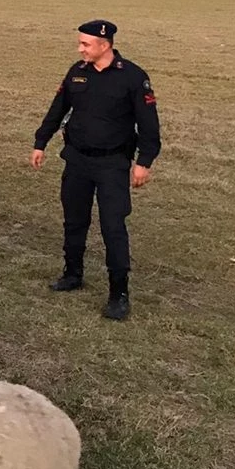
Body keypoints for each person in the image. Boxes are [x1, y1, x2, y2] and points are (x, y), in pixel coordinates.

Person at [30, 19, 161, 321]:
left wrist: (144, 162)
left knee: (113, 227)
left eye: (85, 44)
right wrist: (40, 142)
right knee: (74, 220)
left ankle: (119, 293)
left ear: (105, 45)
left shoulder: (132, 77)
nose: (80, 49)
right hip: (77, 159)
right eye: (80, 43)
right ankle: (72, 273)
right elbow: (57, 109)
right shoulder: (77, 73)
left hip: (112, 164)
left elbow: (149, 125)